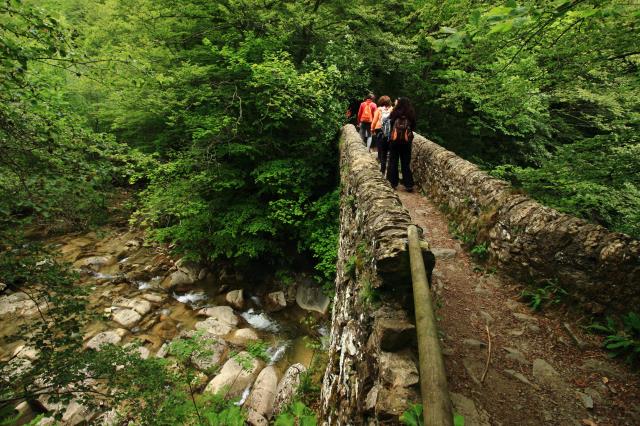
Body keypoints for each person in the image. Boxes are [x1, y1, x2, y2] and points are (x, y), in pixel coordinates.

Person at [387, 97, 416, 192]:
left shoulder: (394, 112)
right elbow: (413, 127)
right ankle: (408, 184)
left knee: (393, 161)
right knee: (405, 162)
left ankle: (392, 182)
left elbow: (390, 124)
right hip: (406, 142)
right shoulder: (410, 113)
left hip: (394, 141)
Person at [370, 95, 393, 167]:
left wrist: (372, 129)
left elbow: (374, 120)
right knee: (387, 143)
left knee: (380, 144)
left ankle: (380, 158)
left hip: (379, 128)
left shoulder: (379, 109)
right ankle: (388, 159)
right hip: (388, 129)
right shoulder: (392, 109)